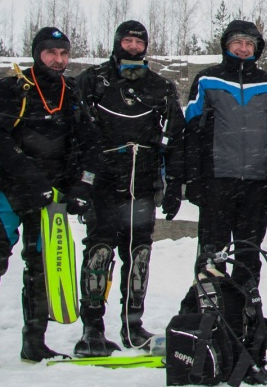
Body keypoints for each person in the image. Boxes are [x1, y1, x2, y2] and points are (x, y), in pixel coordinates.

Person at [0, 26, 92, 367]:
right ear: (38, 54)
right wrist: (29, 177)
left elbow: (88, 144)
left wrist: (83, 185)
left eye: (64, 53)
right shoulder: (13, 88)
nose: (59, 60)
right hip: (8, 191)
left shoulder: (72, 92)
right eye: (51, 53)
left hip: (48, 198)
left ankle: (34, 343)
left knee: (40, 269)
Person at [73, 20, 186, 356]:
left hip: (143, 184)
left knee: (138, 256)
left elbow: (176, 138)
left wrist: (174, 183)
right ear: (116, 42)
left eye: (139, 42)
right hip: (104, 184)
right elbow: (76, 133)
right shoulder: (93, 81)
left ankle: (132, 325)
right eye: (128, 40)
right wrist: (79, 182)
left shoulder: (160, 87)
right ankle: (92, 329)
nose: (134, 46)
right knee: (100, 253)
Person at [181, 20, 267, 338]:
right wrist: (192, 178)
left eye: (249, 44)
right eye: (238, 42)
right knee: (212, 254)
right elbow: (191, 131)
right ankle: (208, 320)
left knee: (248, 255)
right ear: (226, 45)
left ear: (257, 49)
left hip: (254, 183)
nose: (243, 48)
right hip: (217, 180)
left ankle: (243, 322)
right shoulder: (208, 79)